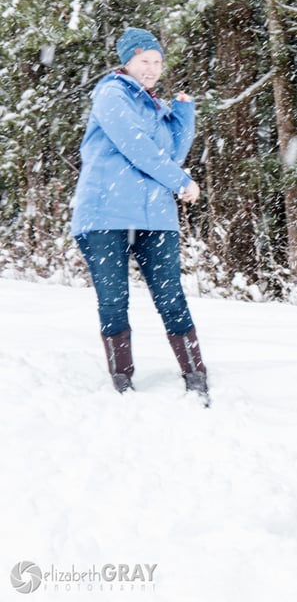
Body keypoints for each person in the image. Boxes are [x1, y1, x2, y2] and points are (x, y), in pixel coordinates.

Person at [70, 27, 209, 401]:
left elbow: (170, 156)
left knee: (171, 296)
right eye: (144, 60)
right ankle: (122, 379)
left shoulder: (156, 106)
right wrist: (182, 182)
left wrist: (183, 115)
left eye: (157, 61)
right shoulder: (111, 93)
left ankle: (195, 373)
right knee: (114, 300)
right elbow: (136, 147)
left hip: (155, 217)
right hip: (104, 215)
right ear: (127, 61)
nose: (151, 68)